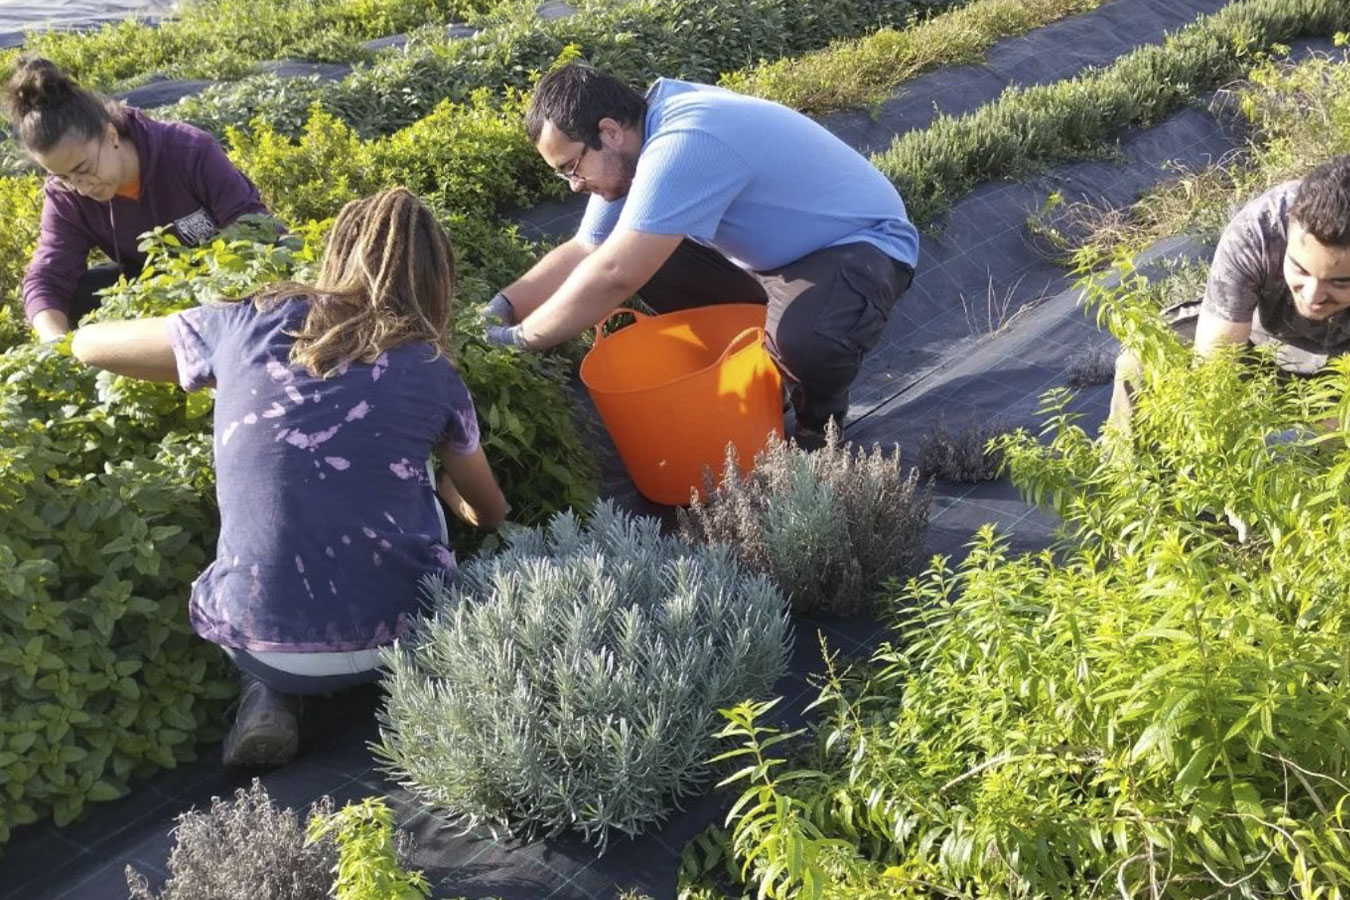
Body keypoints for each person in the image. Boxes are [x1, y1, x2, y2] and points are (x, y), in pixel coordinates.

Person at [71, 188, 509, 767]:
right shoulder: (434, 373)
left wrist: (222, 368)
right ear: (437, 281)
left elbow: (89, 344)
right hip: (405, 637)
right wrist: (440, 486)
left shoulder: (245, 323)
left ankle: (268, 696)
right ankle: (429, 692)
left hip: (264, 644)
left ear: (335, 255)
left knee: (261, 536)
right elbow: (491, 511)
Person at [483, 63, 919, 447]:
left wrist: (523, 339)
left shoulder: (684, 141)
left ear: (609, 131)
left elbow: (616, 274)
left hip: (857, 246)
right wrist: (501, 309)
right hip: (767, 260)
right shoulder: (634, 146)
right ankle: (768, 372)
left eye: (572, 167)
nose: (575, 185)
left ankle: (817, 431)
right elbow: (586, 250)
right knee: (640, 251)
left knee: (803, 340)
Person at [2, 56, 270, 341]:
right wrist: (55, 344)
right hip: (154, 288)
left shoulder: (188, 150)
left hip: (227, 286)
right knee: (77, 296)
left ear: (110, 136)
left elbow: (255, 226)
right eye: (64, 178)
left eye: (83, 169)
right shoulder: (65, 196)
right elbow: (48, 276)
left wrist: (218, 295)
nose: (80, 188)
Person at [1110, 155, 1350, 428]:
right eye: (1300, 270)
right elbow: (1214, 365)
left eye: (1339, 282)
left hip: (1339, 373)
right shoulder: (1259, 229)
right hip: (1253, 345)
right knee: (1141, 360)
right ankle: (1129, 469)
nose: (1311, 296)